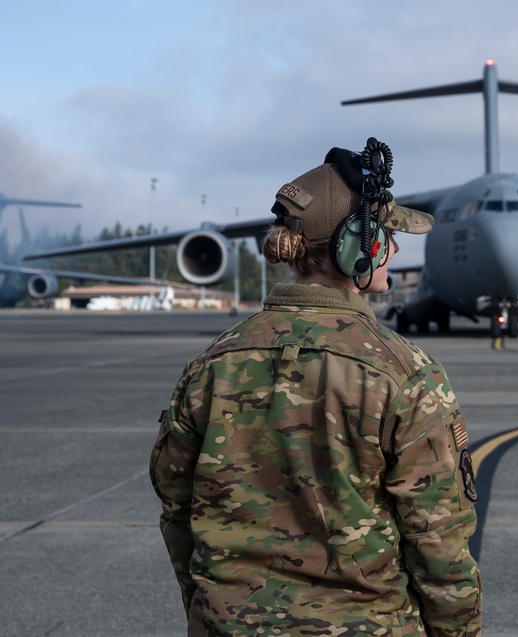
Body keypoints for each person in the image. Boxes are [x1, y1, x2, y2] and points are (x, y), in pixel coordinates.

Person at [150, 138, 482, 637]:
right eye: (386, 235)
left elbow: (177, 512)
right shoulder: (404, 372)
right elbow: (439, 544)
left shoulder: (211, 365)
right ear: (357, 248)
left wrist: (212, 612)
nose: (393, 247)